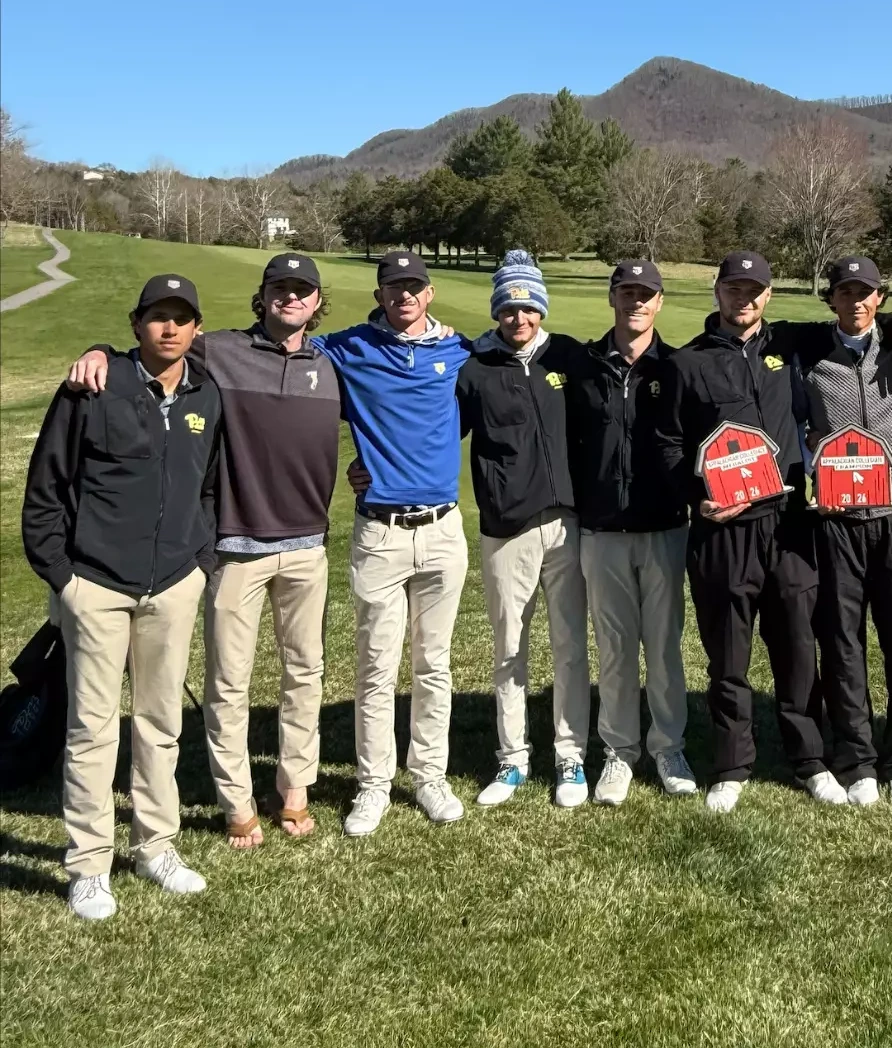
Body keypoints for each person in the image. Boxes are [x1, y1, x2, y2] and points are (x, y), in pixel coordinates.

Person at [64, 254, 342, 847]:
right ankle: (237, 802)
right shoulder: (218, 350)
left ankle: (294, 791)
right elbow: (150, 349)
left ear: (317, 303)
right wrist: (97, 351)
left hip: (308, 548)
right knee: (228, 683)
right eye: (280, 289)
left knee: (306, 674)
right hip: (236, 547)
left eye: (302, 291)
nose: (290, 298)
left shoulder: (334, 360)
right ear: (262, 296)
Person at [22, 275, 222, 920]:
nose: (169, 328)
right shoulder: (92, 385)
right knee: (91, 730)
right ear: (137, 325)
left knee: (162, 725)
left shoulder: (205, 394)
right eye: (157, 317)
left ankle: (156, 846)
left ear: (196, 328)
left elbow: (210, 488)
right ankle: (88, 864)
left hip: (172, 584)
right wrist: (63, 575)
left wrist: (200, 561)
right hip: (96, 584)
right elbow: (47, 485)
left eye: (181, 318)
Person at [654, 251, 836, 813]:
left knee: (798, 648)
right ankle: (732, 765)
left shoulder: (791, 346)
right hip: (722, 532)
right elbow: (668, 446)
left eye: (755, 290)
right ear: (717, 291)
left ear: (769, 294)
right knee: (728, 658)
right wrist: (698, 499)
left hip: (788, 527)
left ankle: (810, 759)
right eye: (735, 288)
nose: (746, 299)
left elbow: (862, 321)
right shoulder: (687, 363)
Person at [317, 251, 472, 835]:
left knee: (434, 665)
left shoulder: (458, 350)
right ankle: (374, 784)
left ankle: (429, 774)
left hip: (443, 531)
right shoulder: (350, 347)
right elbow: (281, 348)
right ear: (379, 294)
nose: (404, 295)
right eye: (393, 287)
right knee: (377, 668)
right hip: (380, 532)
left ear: (430, 293)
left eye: (414, 286)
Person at [785, 256, 892, 806]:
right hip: (836, 519)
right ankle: (858, 759)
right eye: (845, 292)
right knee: (842, 640)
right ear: (831, 299)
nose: (855, 301)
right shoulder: (809, 355)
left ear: (881, 298)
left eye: (866, 293)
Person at [455, 251, 592, 809]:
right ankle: (512, 758)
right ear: (497, 312)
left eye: (529, 306)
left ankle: (570, 755)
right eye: (509, 308)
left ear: (541, 308)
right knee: (510, 646)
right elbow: (437, 437)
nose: (519, 317)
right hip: (506, 526)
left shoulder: (568, 357)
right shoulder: (475, 367)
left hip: (567, 523)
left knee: (569, 646)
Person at [562, 259, 696, 805]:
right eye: (627, 293)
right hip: (603, 530)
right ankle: (619, 752)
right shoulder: (583, 366)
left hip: (664, 527)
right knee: (615, 649)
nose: (636, 302)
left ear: (659, 302)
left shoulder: (679, 368)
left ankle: (667, 746)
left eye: (646, 294)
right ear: (612, 298)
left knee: (663, 647)